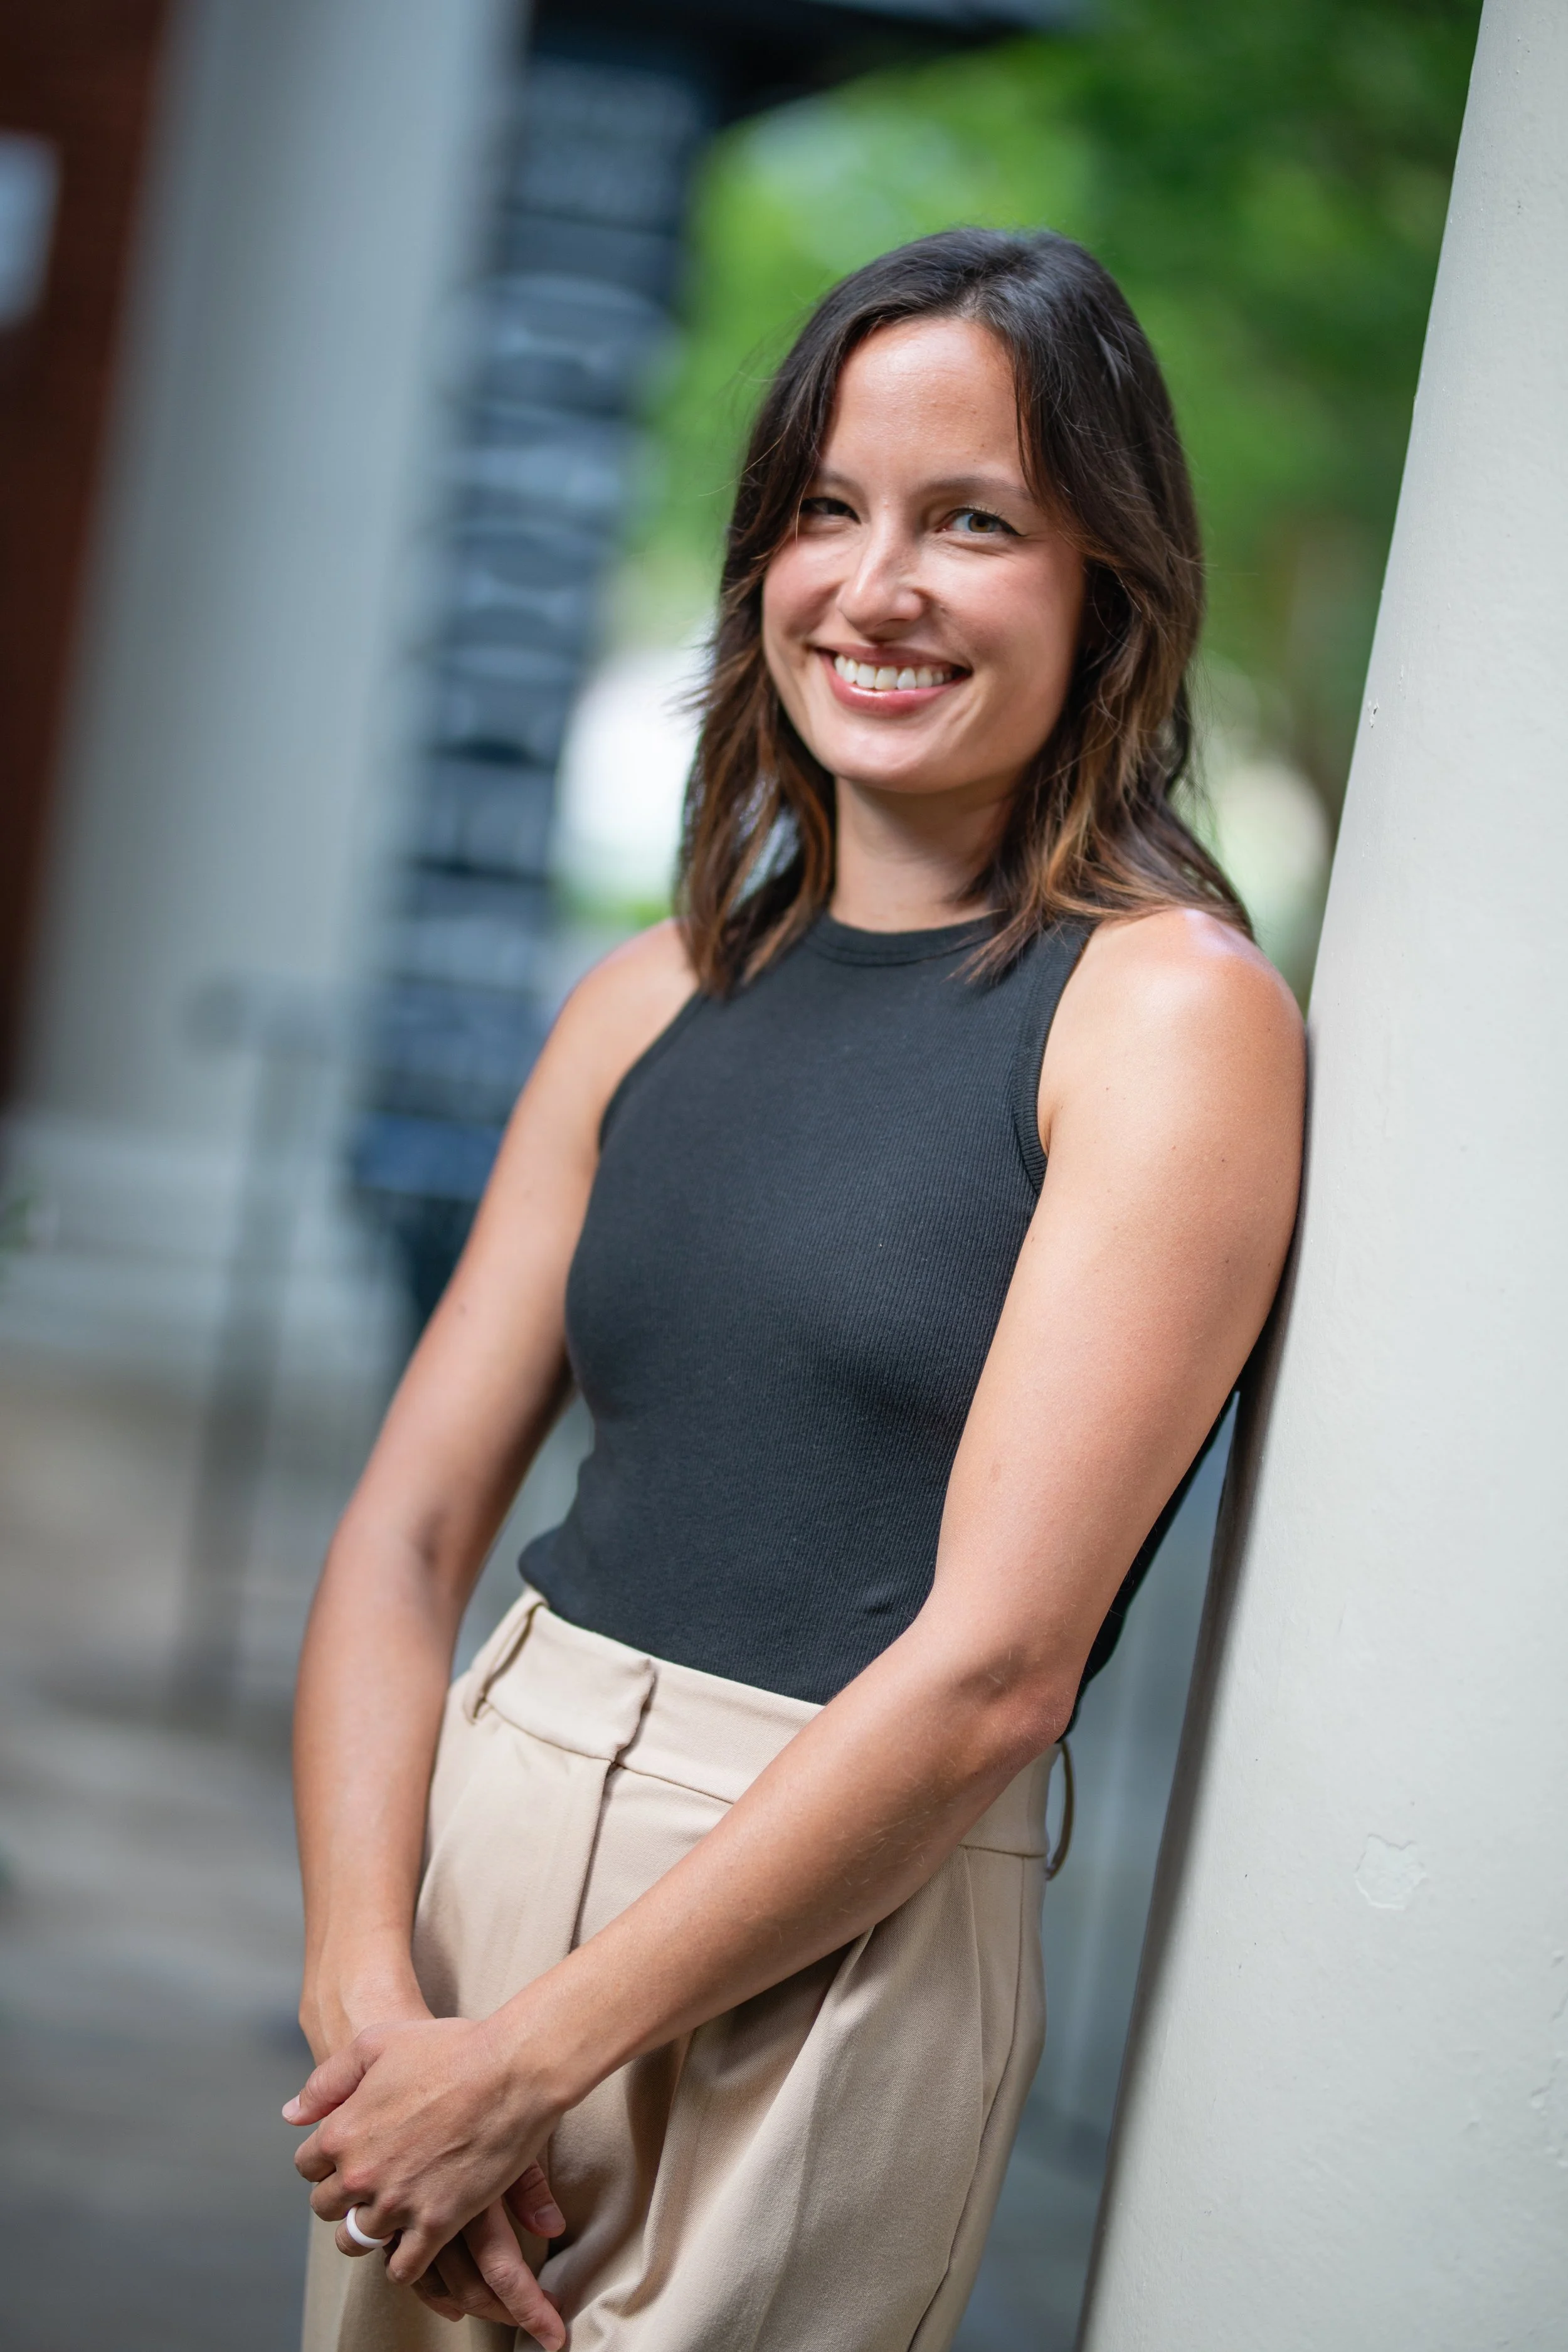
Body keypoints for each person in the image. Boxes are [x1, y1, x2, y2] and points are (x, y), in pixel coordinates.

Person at [287, 227, 1304, 2352]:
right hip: (474, 1868)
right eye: (828, 511)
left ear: (1105, 580)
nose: (878, 586)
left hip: (828, 1926)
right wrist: (372, 1990)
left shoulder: (1163, 1015)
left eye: (973, 523)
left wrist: (533, 2058)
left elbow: (999, 1669)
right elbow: (402, 1535)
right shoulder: (646, 995)